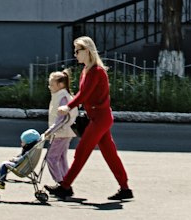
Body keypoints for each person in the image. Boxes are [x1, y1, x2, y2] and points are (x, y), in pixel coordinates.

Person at [46, 36, 133, 202]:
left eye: (77, 51)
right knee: (110, 154)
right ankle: (125, 189)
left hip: (100, 118)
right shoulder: (85, 71)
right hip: (96, 118)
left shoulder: (96, 72)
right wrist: (72, 104)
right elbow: (82, 94)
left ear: (87, 51)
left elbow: (85, 94)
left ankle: (65, 187)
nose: (75, 54)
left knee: (81, 151)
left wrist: (68, 107)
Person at [42, 69, 76, 188]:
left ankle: (61, 182)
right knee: (61, 158)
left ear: (60, 84)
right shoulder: (64, 95)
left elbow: (61, 119)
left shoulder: (62, 97)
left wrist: (50, 131)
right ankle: (66, 182)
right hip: (66, 132)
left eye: (51, 84)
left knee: (51, 158)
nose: (49, 87)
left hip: (61, 132)